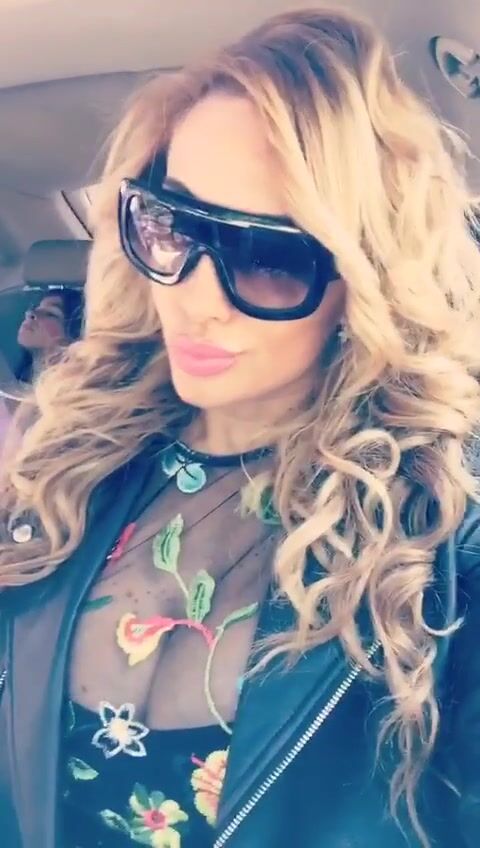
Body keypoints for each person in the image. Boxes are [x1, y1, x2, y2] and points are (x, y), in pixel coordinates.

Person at [0, 6, 479, 848]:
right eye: (171, 225)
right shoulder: (70, 454)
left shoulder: (442, 534)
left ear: (364, 278)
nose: (194, 298)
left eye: (269, 256)